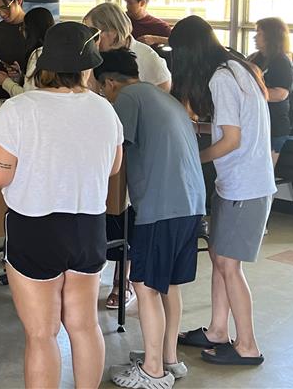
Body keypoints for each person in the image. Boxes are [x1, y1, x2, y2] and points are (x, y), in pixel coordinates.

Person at [0, 22, 123, 389]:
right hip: (89, 225)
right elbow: (114, 166)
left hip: (36, 225)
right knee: (84, 325)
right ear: (86, 68)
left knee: (42, 334)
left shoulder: (19, 109)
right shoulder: (105, 110)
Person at [94, 49, 206, 389]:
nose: (103, 95)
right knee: (168, 283)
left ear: (110, 82)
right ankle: (169, 358)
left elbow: (113, 150)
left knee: (144, 286)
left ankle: (153, 371)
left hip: (161, 207)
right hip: (191, 203)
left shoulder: (128, 97)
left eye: (101, 89)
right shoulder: (162, 97)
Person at [171, 15, 274, 367]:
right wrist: (199, 127)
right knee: (219, 257)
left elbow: (231, 140)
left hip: (245, 186)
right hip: (239, 182)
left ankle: (248, 345)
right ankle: (218, 330)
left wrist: (194, 158)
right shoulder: (236, 68)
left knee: (229, 265)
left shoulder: (221, 79)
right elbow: (230, 127)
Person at [84, 1, 171, 308]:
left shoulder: (146, 56)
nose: (94, 40)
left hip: (135, 142)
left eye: (96, 33)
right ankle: (97, 270)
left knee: (128, 214)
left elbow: (163, 92)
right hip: (104, 139)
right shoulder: (96, 58)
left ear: (111, 31)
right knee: (107, 213)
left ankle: (124, 281)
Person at [248, 17, 293, 165]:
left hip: (273, 128)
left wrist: (248, 93)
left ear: (271, 36)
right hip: (254, 126)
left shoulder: (282, 62)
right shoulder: (255, 59)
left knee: (263, 175)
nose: (255, 37)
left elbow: (280, 94)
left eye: (259, 33)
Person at [0, 7, 55, 97]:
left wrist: (5, 82)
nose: (21, 31)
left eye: (23, 28)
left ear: (31, 30)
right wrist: (21, 78)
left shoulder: (38, 55)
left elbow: (28, 96)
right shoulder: (53, 52)